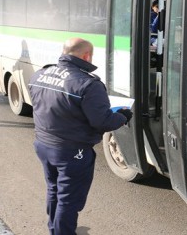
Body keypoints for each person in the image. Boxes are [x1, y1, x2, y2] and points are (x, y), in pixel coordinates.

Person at [29, 38, 132, 235]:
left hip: (43, 144)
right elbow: (102, 121)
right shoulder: (88, 83)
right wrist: (123, 116)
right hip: (71, 151)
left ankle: (54, 229)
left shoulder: (39, 74)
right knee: (68, 199)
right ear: (86, 56)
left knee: (54, 190)